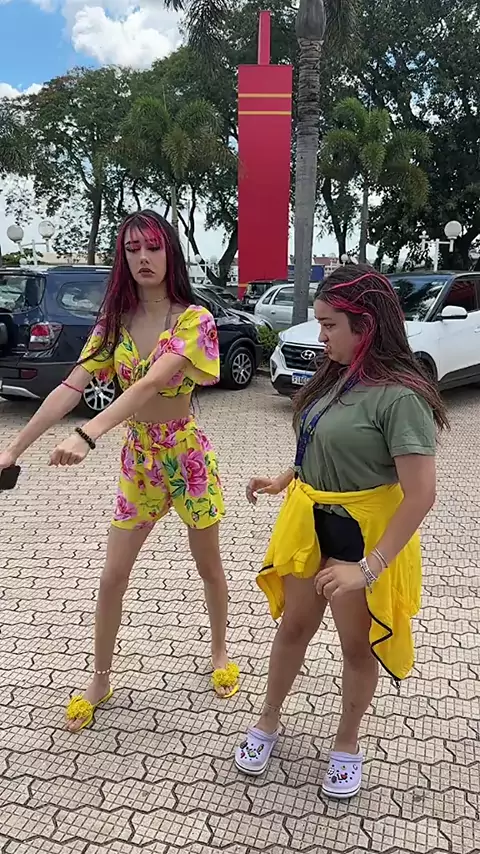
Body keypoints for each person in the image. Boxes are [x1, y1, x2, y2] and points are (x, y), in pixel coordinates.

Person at [0, 210, 239, 731]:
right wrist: (13, 448)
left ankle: (220, 650)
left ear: (170, 252)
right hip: (140, 461)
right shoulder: (114, 322)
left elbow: (149, 384)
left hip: (187, 457)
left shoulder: (194, 319)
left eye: (153, 247)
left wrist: (87, 435)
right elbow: (72, 385)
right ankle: (101, 677)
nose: (143, 258)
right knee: (113, 576)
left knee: (209, 567)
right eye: (132, 249)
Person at [234, 263, 448, 799]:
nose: (321, 335)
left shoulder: (401, 397)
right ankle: (268, 719)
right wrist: (284, 478)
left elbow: (421, 494)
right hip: (310, 523)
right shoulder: (337, 375)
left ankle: (347, 743)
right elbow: (320, 440)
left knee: (357, 646)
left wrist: (367, 569)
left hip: (363, 539)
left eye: (330, 324)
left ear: (365, 325)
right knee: (292, 629)